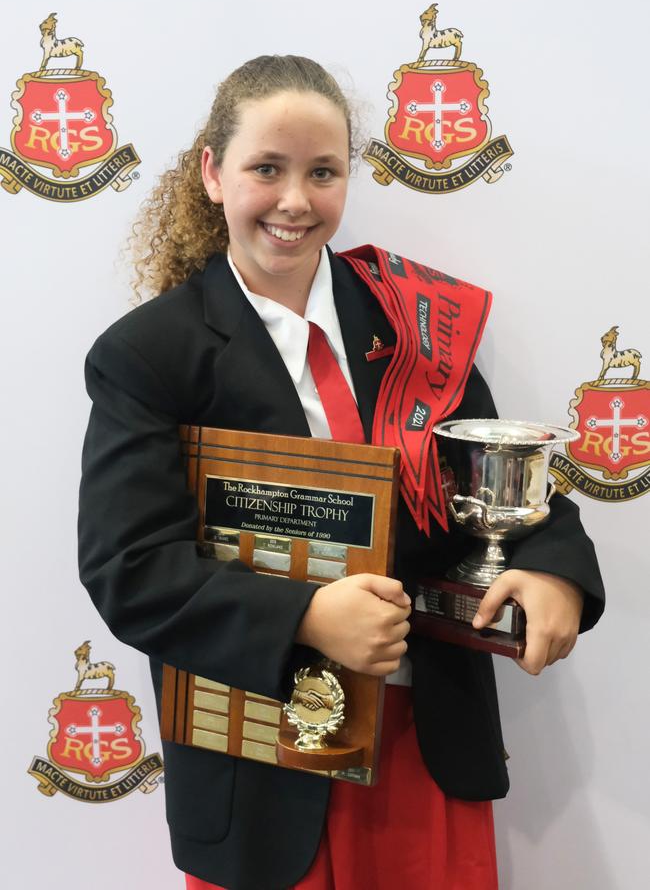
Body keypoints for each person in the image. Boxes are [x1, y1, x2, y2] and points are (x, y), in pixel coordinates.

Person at [78, 55, 604, 890]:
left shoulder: (412, 316)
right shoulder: (148, 356)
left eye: (322, 172)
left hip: (423, 743)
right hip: (264, 766)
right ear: (214, 175)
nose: (295, 200)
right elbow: (130, 570)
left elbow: (499, 481)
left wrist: (553, 570)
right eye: (266, 169)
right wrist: (308, 619)